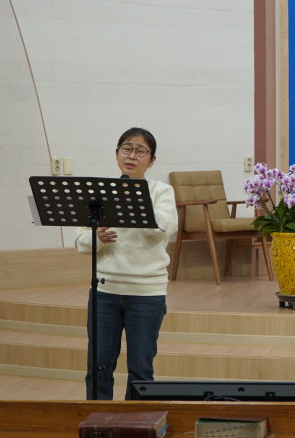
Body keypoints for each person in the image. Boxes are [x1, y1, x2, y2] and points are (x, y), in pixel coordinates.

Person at [74, 127, 177, 400]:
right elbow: (80, 241)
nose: (132, 156)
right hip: (104, 291)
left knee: (141, 370)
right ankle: (98, 419)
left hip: (146, 294)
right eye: (127, 149)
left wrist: (133, 197)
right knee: (98, 368)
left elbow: (163, 229)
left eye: (140, 151)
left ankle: (137, 421)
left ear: (152, 160)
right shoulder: (98, 193)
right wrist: (97, 238)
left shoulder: (161, 192)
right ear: (117, 153)